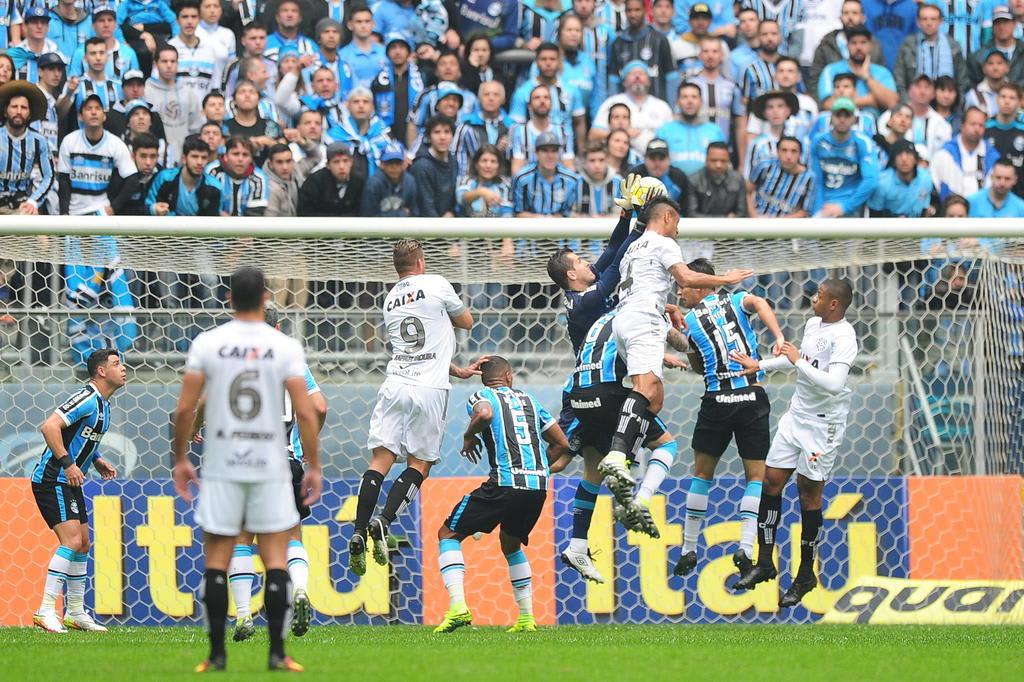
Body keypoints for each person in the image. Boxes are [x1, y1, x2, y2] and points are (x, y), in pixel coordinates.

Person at [171, 267, 322, 672]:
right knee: (276, 555)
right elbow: (309, 411)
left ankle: (216, 655)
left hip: (223, 465)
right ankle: (278, 653)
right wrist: (314, 464)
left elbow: (187, 408)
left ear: (229, 300)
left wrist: (181, 457)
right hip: (273, 463)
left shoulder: (209, 342)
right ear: (266, 298)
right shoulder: (285, 347)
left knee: (218, 557)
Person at [597, 196, 752, 503]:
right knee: (646, 387)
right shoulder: (664, 244)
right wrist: (725, 278)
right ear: (667, 217)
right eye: (677, 224)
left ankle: (623, 458)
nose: (678, 232)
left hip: (626, 320)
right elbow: (685, 277)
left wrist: (667, 305)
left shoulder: (634, 246)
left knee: (654, 400)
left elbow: (641, 284)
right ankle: (617, 454)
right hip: (643, 321)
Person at [351, 239, 479, 574]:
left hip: (395, 383)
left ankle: (358, 530)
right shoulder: (436, 283)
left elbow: (413, 348)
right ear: (421, 262)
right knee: (420, 464)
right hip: (430, 389)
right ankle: (385, 519)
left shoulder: (390, 300)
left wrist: (452, 365)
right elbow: (467, 321)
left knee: (380, 459)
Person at [731, 279, 858, 608]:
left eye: (819, 296)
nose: (813, 298)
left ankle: (804, 574)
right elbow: (795, 359)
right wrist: (760, 365)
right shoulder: (814, 323)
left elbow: (834, 383)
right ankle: (764, 562)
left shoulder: (845, 337)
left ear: (834, 304)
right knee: (770, 482)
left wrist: (798, 359)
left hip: (823, 425)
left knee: (807, 493)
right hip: (796, 416)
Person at [209, 305, 327, 641]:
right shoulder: (292, 362)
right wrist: (306, 441)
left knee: (243, 538)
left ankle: (244, 615)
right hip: (285, 460)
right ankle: (301, 591)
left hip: (246, 461)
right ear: (279, 326)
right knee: (291, 536)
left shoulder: (236, 361)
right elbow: (320, 407)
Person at [434, 356, 570, 634]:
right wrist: (539, 467)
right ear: (508, 375)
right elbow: (561, 443)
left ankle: (458, 607)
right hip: (537, 487)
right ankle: (526, 618)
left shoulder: (481, 395)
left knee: (447, 535)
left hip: (505, 483)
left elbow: (484, 414)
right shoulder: (530, 400)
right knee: (510, 544)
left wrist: (468, 436)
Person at [672, 257, 785, 577]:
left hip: (716, 401)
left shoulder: (692, 323)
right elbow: (759, 301)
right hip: (751, 396)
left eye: (684, 286)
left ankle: (689, 548)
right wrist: (777, 336)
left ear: (700, 285)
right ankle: (745, 548)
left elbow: (697, 366)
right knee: (755, 477)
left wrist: (672, 332)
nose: (681, 292)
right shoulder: (736, 301)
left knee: (701, 475)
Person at [560, 307, 687, 581]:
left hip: (579, 397)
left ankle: (577, 545)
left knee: (591, 469)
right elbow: (683, 344)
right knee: (666, 445)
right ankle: (639, 499)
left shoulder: (602, 317)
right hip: (608, 396)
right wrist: (670, 323)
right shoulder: (645, 313)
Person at [30, 349, 125, 634]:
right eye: (117, 364)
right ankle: (45, 610)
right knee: (71, 541)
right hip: (52, 479)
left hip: (69, 480)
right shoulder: (86, 398)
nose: (124, 368)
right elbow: (50, 427)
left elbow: (79, 436)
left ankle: (74, 612)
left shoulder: (104, 405)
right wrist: (69, 465)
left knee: (83, 543)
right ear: (101, 371)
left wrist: (96, 459)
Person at [58, 94, 137, 216]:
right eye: (89, 109)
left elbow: (132, 179)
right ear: (81, 116)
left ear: (104, 116)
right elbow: (63, 180)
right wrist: (64, 213)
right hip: (73, 212)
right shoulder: (69, 141)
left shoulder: (115, 144)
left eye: (98, 108)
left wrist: (114, 207)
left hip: (101, 212)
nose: (94, 112)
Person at [808, 97, 879, 217]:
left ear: (854, 120)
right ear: (831, 118)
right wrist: (819, 209)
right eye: (838, 115)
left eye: (847, 116)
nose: (842, 119)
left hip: (852, 204)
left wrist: (845, 207)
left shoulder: (863, 143)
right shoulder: (818, 141)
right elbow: (817, 180)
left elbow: (871, 180)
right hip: (824, 203)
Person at [591, 61, 673, 155]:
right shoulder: (612, 102)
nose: (637, 77)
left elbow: (672, 138)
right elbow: (593, 135)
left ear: (649, 81)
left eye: (641, 74)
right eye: (632, 74)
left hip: (656, 161)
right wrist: (622, 134)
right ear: (624, 82)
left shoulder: (662, 106)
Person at [818, 25, 899, 118]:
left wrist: (867, 77)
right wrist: (872, 101)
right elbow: (827, 104)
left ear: (870, 45)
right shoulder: (831, 70)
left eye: (863, 42)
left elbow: (892, 103)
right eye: (854, 43)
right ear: (847, 45)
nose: (859, 47)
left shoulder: (882, 72)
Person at [892, 4, 969, 99]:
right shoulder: (908, 45)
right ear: (918, 22)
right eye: (924, 19)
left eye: (933, 19)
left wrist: (956, 104)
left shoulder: (953, 46)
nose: (929, 23)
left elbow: (963, 81)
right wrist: (908, 103)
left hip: (946, 104)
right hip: (914, 103)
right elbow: (899, 79)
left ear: (941, 21)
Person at [809, 0, 885, 97]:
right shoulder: (826, 44)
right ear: (840, 18)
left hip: (867, 104)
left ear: (863, 18)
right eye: (846, 13)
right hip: (832, 104)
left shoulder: (874, 46)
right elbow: (815, 78)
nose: (850, 17)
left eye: (854, 13)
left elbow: (881, 77)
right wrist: (822, 105)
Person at [0, 81, 54, 214]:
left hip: (21, 205)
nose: (18, 111)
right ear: (6, 112)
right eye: (14, 106)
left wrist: (33, 201)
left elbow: (49, 176)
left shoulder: (39, 141)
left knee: (42, 235)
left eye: (24, 108)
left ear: (30, 114)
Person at [145, 45, 203, 163]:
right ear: (156, 64)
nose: (169, 65)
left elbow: (195, 128)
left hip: (183, 156)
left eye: (173, 61)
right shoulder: (146, 91)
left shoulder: (187, 92)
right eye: (164, 61)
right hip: (155, 156)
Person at [608, 0, 676, 100]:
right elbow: (613, 79)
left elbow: (671, 76)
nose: (633, 14)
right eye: (629, 10)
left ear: (645, 10)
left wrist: (672, 106)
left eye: (637, 10)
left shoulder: (659, 40)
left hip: (656, 107)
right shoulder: (618, 43)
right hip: (626, 109)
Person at [656, 82, 726, 176]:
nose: (690, 101)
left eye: (694, 97)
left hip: (707, 187)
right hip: (674, 187)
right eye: (685, 97)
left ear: (701, 102)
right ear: (677, 102)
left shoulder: (715, 131)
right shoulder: (664, 131)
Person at [930, 106, 999, 201]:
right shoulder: (944, 153)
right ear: (962, 125)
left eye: (981, 125)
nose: (977, 129)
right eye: (973, 124)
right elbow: (935, 185)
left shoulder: (992, 156)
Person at [512, 131, 582, 217]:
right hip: (530, 228)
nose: (550, 156)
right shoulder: (522, 178)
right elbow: (518, 212)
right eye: (545, 151)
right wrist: (541, 220)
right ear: (536, 153)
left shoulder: (571, 180)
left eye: (554, 151)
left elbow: (572, 213)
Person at [147, 135, 222, 216]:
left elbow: (213, 219)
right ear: (184, 159)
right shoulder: (165, 178)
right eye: (194, 156)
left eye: (204, 157)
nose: (199, 162)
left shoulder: (215, 186)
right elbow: (148, 205)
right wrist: (154, 209)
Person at [510, 85, 576, 174]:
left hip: (558, 184)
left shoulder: (564, 132)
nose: (542, 101)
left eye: (546, 97)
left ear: (552, 104)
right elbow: (517, 168)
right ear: (529, 105)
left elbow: (569, 166)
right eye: (537, 98)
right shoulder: (519, 132)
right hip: (529, 184)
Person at [453, 80, 512, 179]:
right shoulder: (466, 125)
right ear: (479, 99)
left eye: (496, 95)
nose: (491, 98)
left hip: (503, 183)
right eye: (486, 94)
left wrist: (510, 148)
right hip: (473, 182)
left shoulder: (512, 127)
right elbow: (457, 160)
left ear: (503, 99)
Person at [371, 33, 424, 144]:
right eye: (393, 48)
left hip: (415, 133)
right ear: (387, 52)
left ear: (408, 51)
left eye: (401, 47)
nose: (397, 52)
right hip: (386, 134)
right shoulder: (379, 80)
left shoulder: (421, 77)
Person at [747, 135, 815, 218]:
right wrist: (754, 216)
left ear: (800, 154)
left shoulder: (809, 178)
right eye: (784, 150)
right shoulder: (764, 166)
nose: (788, 156)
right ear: (777, 152)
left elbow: (805, 212)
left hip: (786, 226)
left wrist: (776, 223)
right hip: (757, 220)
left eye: (793, 151)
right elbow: (746, 192)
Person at [689, 35, 740, 144]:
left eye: (715, 51)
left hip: (724, 149)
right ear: (700, 55)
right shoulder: (690, 84)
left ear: (721, 55)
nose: (710, 56)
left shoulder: (731, 86)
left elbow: (740, 121)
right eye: (706, 51)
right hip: (696, 148)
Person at [168, 0, 224, 99]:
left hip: (203, 112)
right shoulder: (169, 48)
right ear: (177, 20)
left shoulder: (210, 50)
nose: (189, 21)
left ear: (199, 19)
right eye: (185, 17)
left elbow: (215, 86)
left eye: (194, 17)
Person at [868, 140, 936, 217]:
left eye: (909, 154)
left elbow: (925, 208)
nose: (904, 159)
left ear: (915, 159)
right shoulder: (882, 183)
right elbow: (874, 216)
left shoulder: (926, 179)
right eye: (899, 154)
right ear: (893, 159)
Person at [207, 136, 270, 216]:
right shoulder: (213, 171)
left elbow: (255, 214)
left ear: (251, 158)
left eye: (245, 155)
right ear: (226, 157)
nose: (240, 159)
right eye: (235, 154)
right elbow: (206, 206)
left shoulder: (259, 178)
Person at [297, 141, 364, 216]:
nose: (341, 166)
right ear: (328, 165)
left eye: (345, 161)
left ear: (351, 162)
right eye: (336, 162)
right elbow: (305, 212)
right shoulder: (315, 182)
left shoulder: (358, 182)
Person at [410, 115, 458, 218]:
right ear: (429, 137)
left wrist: (453, 212)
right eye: (437, 132)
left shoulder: (453, 161)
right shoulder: (421, 166)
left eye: (447, 132)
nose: (442, 137)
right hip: (425, 226)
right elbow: (426, 206)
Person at [687, 141, 747, 217]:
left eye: (723, 161)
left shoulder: (738, 180)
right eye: (714, 160)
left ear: (729, 161)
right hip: (701, 228)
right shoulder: (693, 180)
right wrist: (724, 219)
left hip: (731, 228)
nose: (718, 165)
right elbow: (691, 214)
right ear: (706, 160)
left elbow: (742, 213)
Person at [361, 140, 420, 217]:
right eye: (390, 162)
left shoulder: (410, 182)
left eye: (398, 162)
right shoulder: (373, 184)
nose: (394, 167)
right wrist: (401, 213)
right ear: (382, 164)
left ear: (404, 164)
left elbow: (414, 213)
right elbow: (367, 217)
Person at [968, 6, 1024, 86]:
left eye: (1005, 22)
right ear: (992, 26)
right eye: (998, 23)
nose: (1001, 27)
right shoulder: (979, 57)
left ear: (1014, 24)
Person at [986, 83, 1024, 197]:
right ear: (997, 99)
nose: (1007, 101)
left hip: (1020, 195)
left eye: (1012, 98)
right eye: (1003, 97)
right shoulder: (985, 128)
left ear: (1019, 102)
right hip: (989, 193)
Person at [456, 143, 513, 217]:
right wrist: (481, 192)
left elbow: (508, 214)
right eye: (484, 161)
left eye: (493, 161)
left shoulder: (505, 185)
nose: (488, 165)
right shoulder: (467, 180)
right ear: (476, 164)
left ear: (499, 166)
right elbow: (460, 199)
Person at [338, 4, 387, 87]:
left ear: (373, 24)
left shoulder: (385, 52)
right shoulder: (342, 56)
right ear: (350, 25)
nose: (363, 26)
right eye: (359, 22)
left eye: (367, 21)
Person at [578, 141, 623, 216]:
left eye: (601, 160)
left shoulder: (619, 183)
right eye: (592, 161)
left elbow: (622, 213)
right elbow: (568, 213)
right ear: (585, 163)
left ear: (607, 161)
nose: (597, 165)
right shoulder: (576, 183)